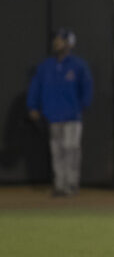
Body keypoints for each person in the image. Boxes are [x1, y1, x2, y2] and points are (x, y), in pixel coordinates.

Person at [27, 28, 93, 197]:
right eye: (56, 40)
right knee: (57, 152)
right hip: (53, 115)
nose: (57, 43)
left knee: (71, 150)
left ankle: (71, 184)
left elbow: (87, 89)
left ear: (69, 44)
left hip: (72, 116)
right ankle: (60, 185)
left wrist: (81, 106)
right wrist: (33, 106)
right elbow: (36, 87)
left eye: (61, 40)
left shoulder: (78, 65)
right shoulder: (46, 66)